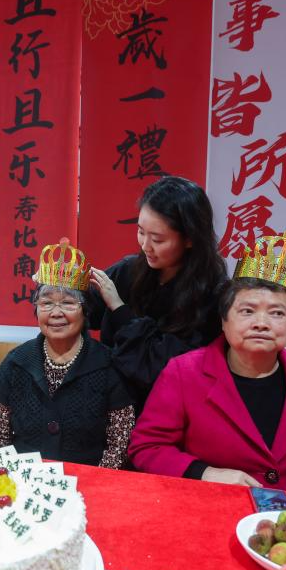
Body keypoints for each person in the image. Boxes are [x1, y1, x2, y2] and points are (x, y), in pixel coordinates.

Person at [129, 232, 286, 494]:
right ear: (224, 321)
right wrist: (204, 473)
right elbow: (147, 446)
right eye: (247, 311)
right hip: (215, 503)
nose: (261, 323)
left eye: (277, 313)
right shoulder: (184, 373)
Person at [0, 239, 135, 467]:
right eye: (46, 303)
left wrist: (96, 482)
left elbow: (119, 443)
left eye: (68, 303)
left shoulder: (108, 365)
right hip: (24, 480)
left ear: (85, 311)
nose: (56, 313)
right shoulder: (16, 363)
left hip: (88, 482)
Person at [88, 175, 227, 408]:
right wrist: (61, 292)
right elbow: (88, 308)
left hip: (171, 409)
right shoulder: (130, 269)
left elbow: (158, 367)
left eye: (157, 239)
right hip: (113, 403)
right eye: (141, 232)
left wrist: (119, 310)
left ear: (190, 239)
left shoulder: (211, 296)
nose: (145, 246)